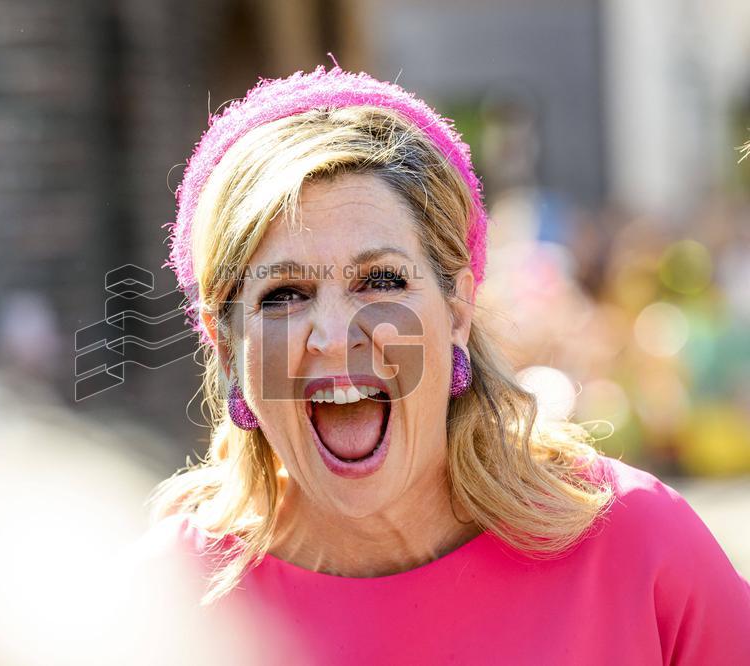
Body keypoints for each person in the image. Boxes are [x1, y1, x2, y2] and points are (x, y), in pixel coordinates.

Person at [137, 63, 750, 664]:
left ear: (456, 310)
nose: (331, 335)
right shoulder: (164, 606)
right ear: (224, 343)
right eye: (283, 295)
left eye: (379, 280)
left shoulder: (640, 550)